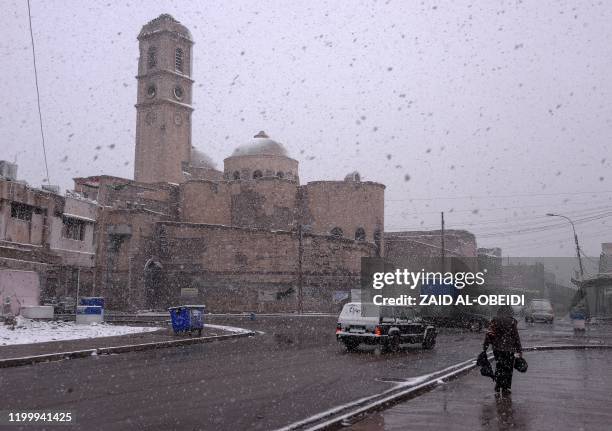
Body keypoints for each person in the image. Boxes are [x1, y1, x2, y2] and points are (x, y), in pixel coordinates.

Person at [482, 305, 522, 396]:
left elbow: (489, 334)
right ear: (510, 312)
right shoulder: (512, 322)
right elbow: (516, 337)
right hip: (509, 349)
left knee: (499, 366)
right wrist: (519, 350)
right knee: (508, 368)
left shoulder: (494, 320)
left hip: (497, 349)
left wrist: (485, 346)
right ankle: (506, 387)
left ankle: (498, 385)